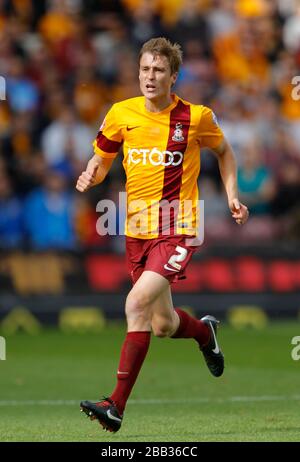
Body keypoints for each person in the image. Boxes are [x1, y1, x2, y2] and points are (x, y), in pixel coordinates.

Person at [76, 37, 249, 433]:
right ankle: (205, 332)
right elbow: (101, 160)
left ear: (174, 76)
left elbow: (225, 153)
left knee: (135, 303)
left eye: (158, 71)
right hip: (136, 230)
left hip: (179, 226)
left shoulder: (196, 117)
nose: (149, 77)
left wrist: (233, 196)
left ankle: (114, 405)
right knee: (163, 324)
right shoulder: (121, 114)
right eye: (144, 69)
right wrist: (92, 173)